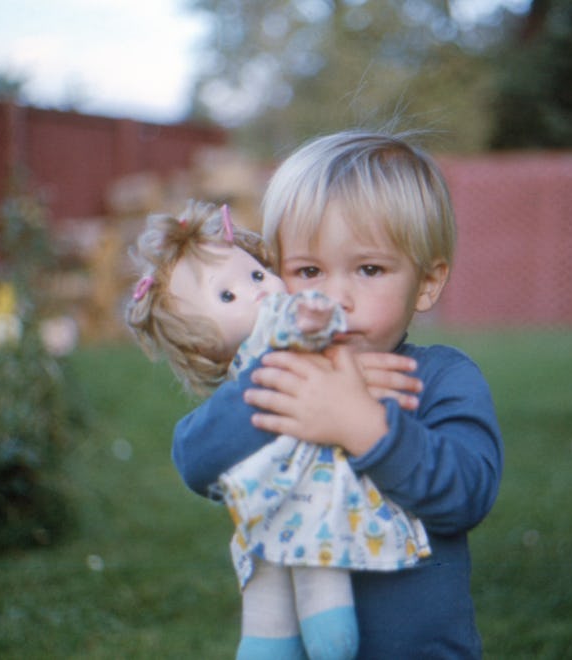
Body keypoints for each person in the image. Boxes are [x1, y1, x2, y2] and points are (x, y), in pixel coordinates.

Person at [172, 130, 504, 658]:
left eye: (369, 269)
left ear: (427, 282)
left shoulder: (440, 378)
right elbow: (195, 460)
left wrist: (361, 423)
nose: (334, 296)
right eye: (308, 271)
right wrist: (285, 392)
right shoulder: (276, 371)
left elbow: (467, 495)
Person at [126, 200, 432, 660]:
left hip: (315, 502)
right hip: (265, 511)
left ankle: (325, 629)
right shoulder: (239, 388)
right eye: (225, 296)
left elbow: (305, 323)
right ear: (201, 341)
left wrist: (308, 328)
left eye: (254, 274)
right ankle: (266, 643)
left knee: (313, 547)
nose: (256, 292)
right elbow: (194, 457)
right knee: (266, 573)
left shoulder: (290, 325)